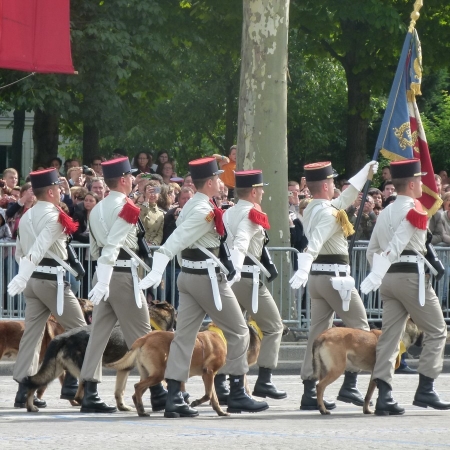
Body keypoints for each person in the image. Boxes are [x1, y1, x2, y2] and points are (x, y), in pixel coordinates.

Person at [139, 157, 268, 417]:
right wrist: (158, 265)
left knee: (184, 337)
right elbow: (178, 238)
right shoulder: (201, 211)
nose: (221, 183)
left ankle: (175, 395)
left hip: (191, 276)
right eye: (218, 178)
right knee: (240, 331)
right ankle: (237, 392)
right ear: (209, 182)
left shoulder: (195, 205)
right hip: (205, 279)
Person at [361, 159, 450, 415]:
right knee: (437, 330)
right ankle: (426, 388)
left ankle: (385, 395)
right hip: (410, 276)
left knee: (390, 336)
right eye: (420, 180)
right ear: (411, 184)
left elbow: (371, 250)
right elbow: (400, 242)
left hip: (389, 279)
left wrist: (379, 272)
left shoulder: (387, 210)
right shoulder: (416, 209)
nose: (423, 183)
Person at [79, 157, 168, 413]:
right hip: (122, 276)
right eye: (130, 177)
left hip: (103, 278)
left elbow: (96, 247)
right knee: (144, 336)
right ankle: (157, 392)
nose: (133, 180)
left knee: (98, 336)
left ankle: (90, 392)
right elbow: (112, 246)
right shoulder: (127, 207)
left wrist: (103, 279)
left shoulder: (96, 209)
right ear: (122, 180)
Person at [290, 160, 378, 411]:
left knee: (317, 334)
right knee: (361, 330)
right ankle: (349, 384)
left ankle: (309, 389)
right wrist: (304, 265)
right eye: (332, 182)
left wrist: (364, 172)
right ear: (327, 185)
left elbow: (347, 197)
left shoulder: (315, 209)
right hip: (335, 280)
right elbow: (316, 242)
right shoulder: (328, 213)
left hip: (319, 280)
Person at [7, 168, 86, 409]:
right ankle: (73, 383)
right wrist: (23, 275)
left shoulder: (27, 215)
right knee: (82, 330)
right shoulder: (54, 216)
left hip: (33, 281)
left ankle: (23, 391)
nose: (61, 192)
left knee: (31, 336)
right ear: (50, 191)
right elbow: (39, 247)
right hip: (51, 281)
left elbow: (20, 251)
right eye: (59, 189)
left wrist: (25, 275)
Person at [218, 170, 285, 403]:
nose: (264, 192)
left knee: (234, 332)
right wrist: (236, 271)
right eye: (262, 188)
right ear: (254, 191)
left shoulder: (228, 213)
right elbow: (242, 242)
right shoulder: (252, 213)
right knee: (274, 326)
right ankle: (264, 380)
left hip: (230, 276)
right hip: (246, 278)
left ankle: (222, 382)